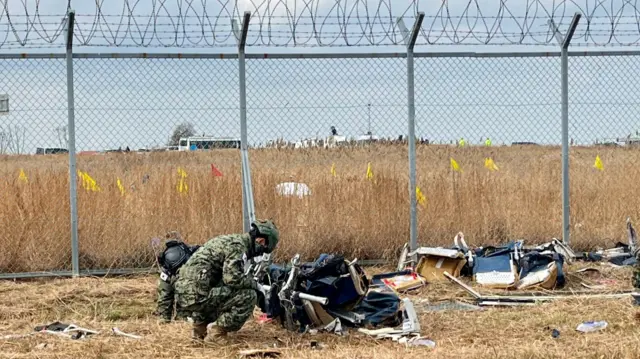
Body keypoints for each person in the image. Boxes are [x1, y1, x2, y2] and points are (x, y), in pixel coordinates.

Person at [174, 219, 280, 342]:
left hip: (185, 292)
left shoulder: (230, 240)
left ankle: (199, 329)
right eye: (263, 250)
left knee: (218, 289)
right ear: (260, 241)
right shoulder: (238, 247)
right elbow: (232, 279)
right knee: (249, 295)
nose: (259, 254)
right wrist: (255, 284)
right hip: (196, 295)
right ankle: (216, 334)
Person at [155, 233, 201, 323]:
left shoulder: (165, 253)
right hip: (181, 276)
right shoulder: (187, 249)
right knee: (181, 294)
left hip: (169, 275)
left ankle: (165, 317)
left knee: (165, 295)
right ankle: (180, 316)